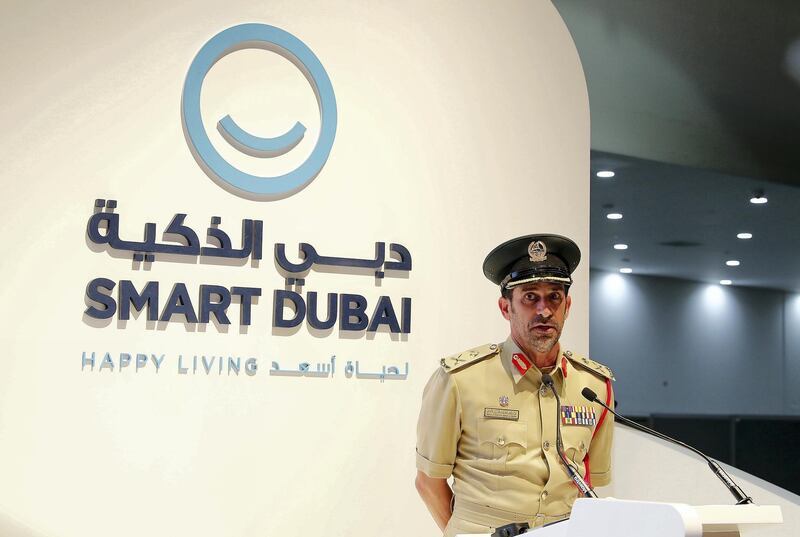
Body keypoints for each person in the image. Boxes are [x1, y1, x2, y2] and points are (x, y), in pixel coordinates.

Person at [415, 234, 615, 536]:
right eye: (530, 297)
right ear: (505, 308)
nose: (544, 311)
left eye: (554, 297)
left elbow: (591, 485)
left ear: (568, 306)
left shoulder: (595, 386)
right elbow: (428, 483)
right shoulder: (459, 379)